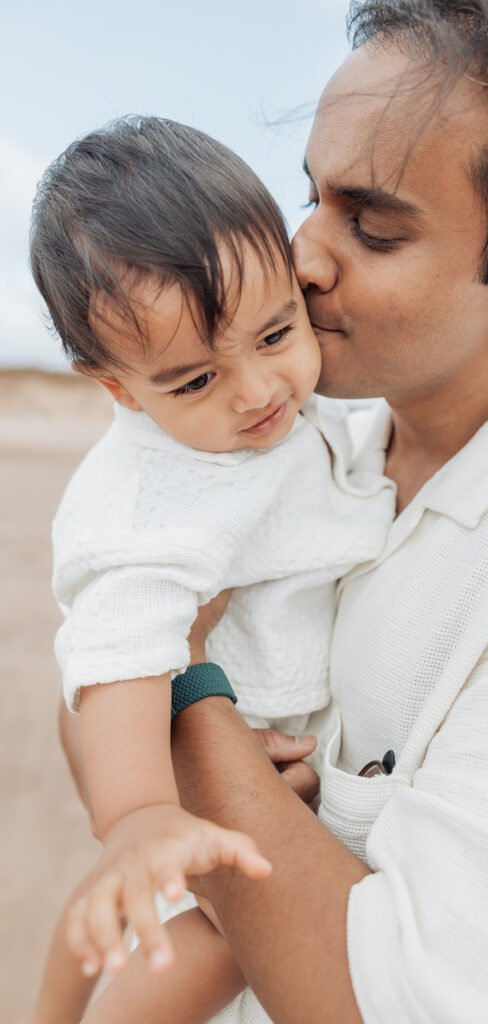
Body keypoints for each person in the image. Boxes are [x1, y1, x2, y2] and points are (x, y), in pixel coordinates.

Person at [58, 0, 488, 1021]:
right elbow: (84, 678)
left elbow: (403, 1006)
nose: (300, 254)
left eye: (374, 225)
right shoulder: (283, 440)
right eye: (309, 195)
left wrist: (190, 712)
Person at [24, 117, 394, 1024]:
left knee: (120, 913)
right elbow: (118, 646)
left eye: (276, 334)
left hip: (252, 753)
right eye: (192, 381)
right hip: (211, 776)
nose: (256, 390)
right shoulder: (155, 493)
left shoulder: (282, 421)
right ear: (116, 387)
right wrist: (141, 812)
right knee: (209, 940)